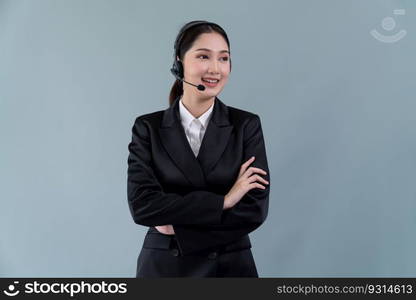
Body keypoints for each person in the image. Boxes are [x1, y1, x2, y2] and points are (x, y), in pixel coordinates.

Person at [127, 20, 270, 277]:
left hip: (229, 268)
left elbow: (253, 210)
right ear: (179, 62)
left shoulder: (246, 125)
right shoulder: (147, 128)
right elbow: (143, 206)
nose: (215, 69)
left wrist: (178, 226)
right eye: (204, 56)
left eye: (224, 58)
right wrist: (223, 201)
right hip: (165, 269)